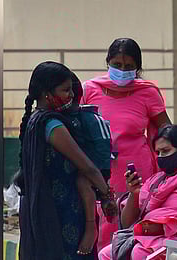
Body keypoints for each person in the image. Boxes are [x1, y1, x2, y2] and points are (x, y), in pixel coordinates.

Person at [14, 61, 113, 259]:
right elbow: (87, 167)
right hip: (62, 211)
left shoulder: (37, 119)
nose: (70, 95)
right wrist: (107, 195)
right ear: (46, 93)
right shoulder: (52, 125)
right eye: (65, 90)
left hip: (49, 207)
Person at [81, 38, 172, 250]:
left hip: (137, 172)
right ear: (108, 63)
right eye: (117, 65)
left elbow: (166, 130)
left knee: (136, 226)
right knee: (105, 225)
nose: (122, 70)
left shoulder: (148, 92)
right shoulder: (89, 90)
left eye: (129, 66)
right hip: (102, 172)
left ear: (137, 68)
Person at [98, 124, 177, 260]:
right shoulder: (156, 180)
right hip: (150, 238)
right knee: (106, 254)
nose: (161, 157)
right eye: (158, 153)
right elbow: (126, 224)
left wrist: (165, 228)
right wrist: (134, 193)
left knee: (140, 253)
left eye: (166, 151)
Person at [65, 72, 119, 255]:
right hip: (83, 165)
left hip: (94, 166)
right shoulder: (66, 118)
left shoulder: (88, 118)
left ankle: (91, 228)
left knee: (83, 183)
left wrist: (101, 175)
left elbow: (103, 144)